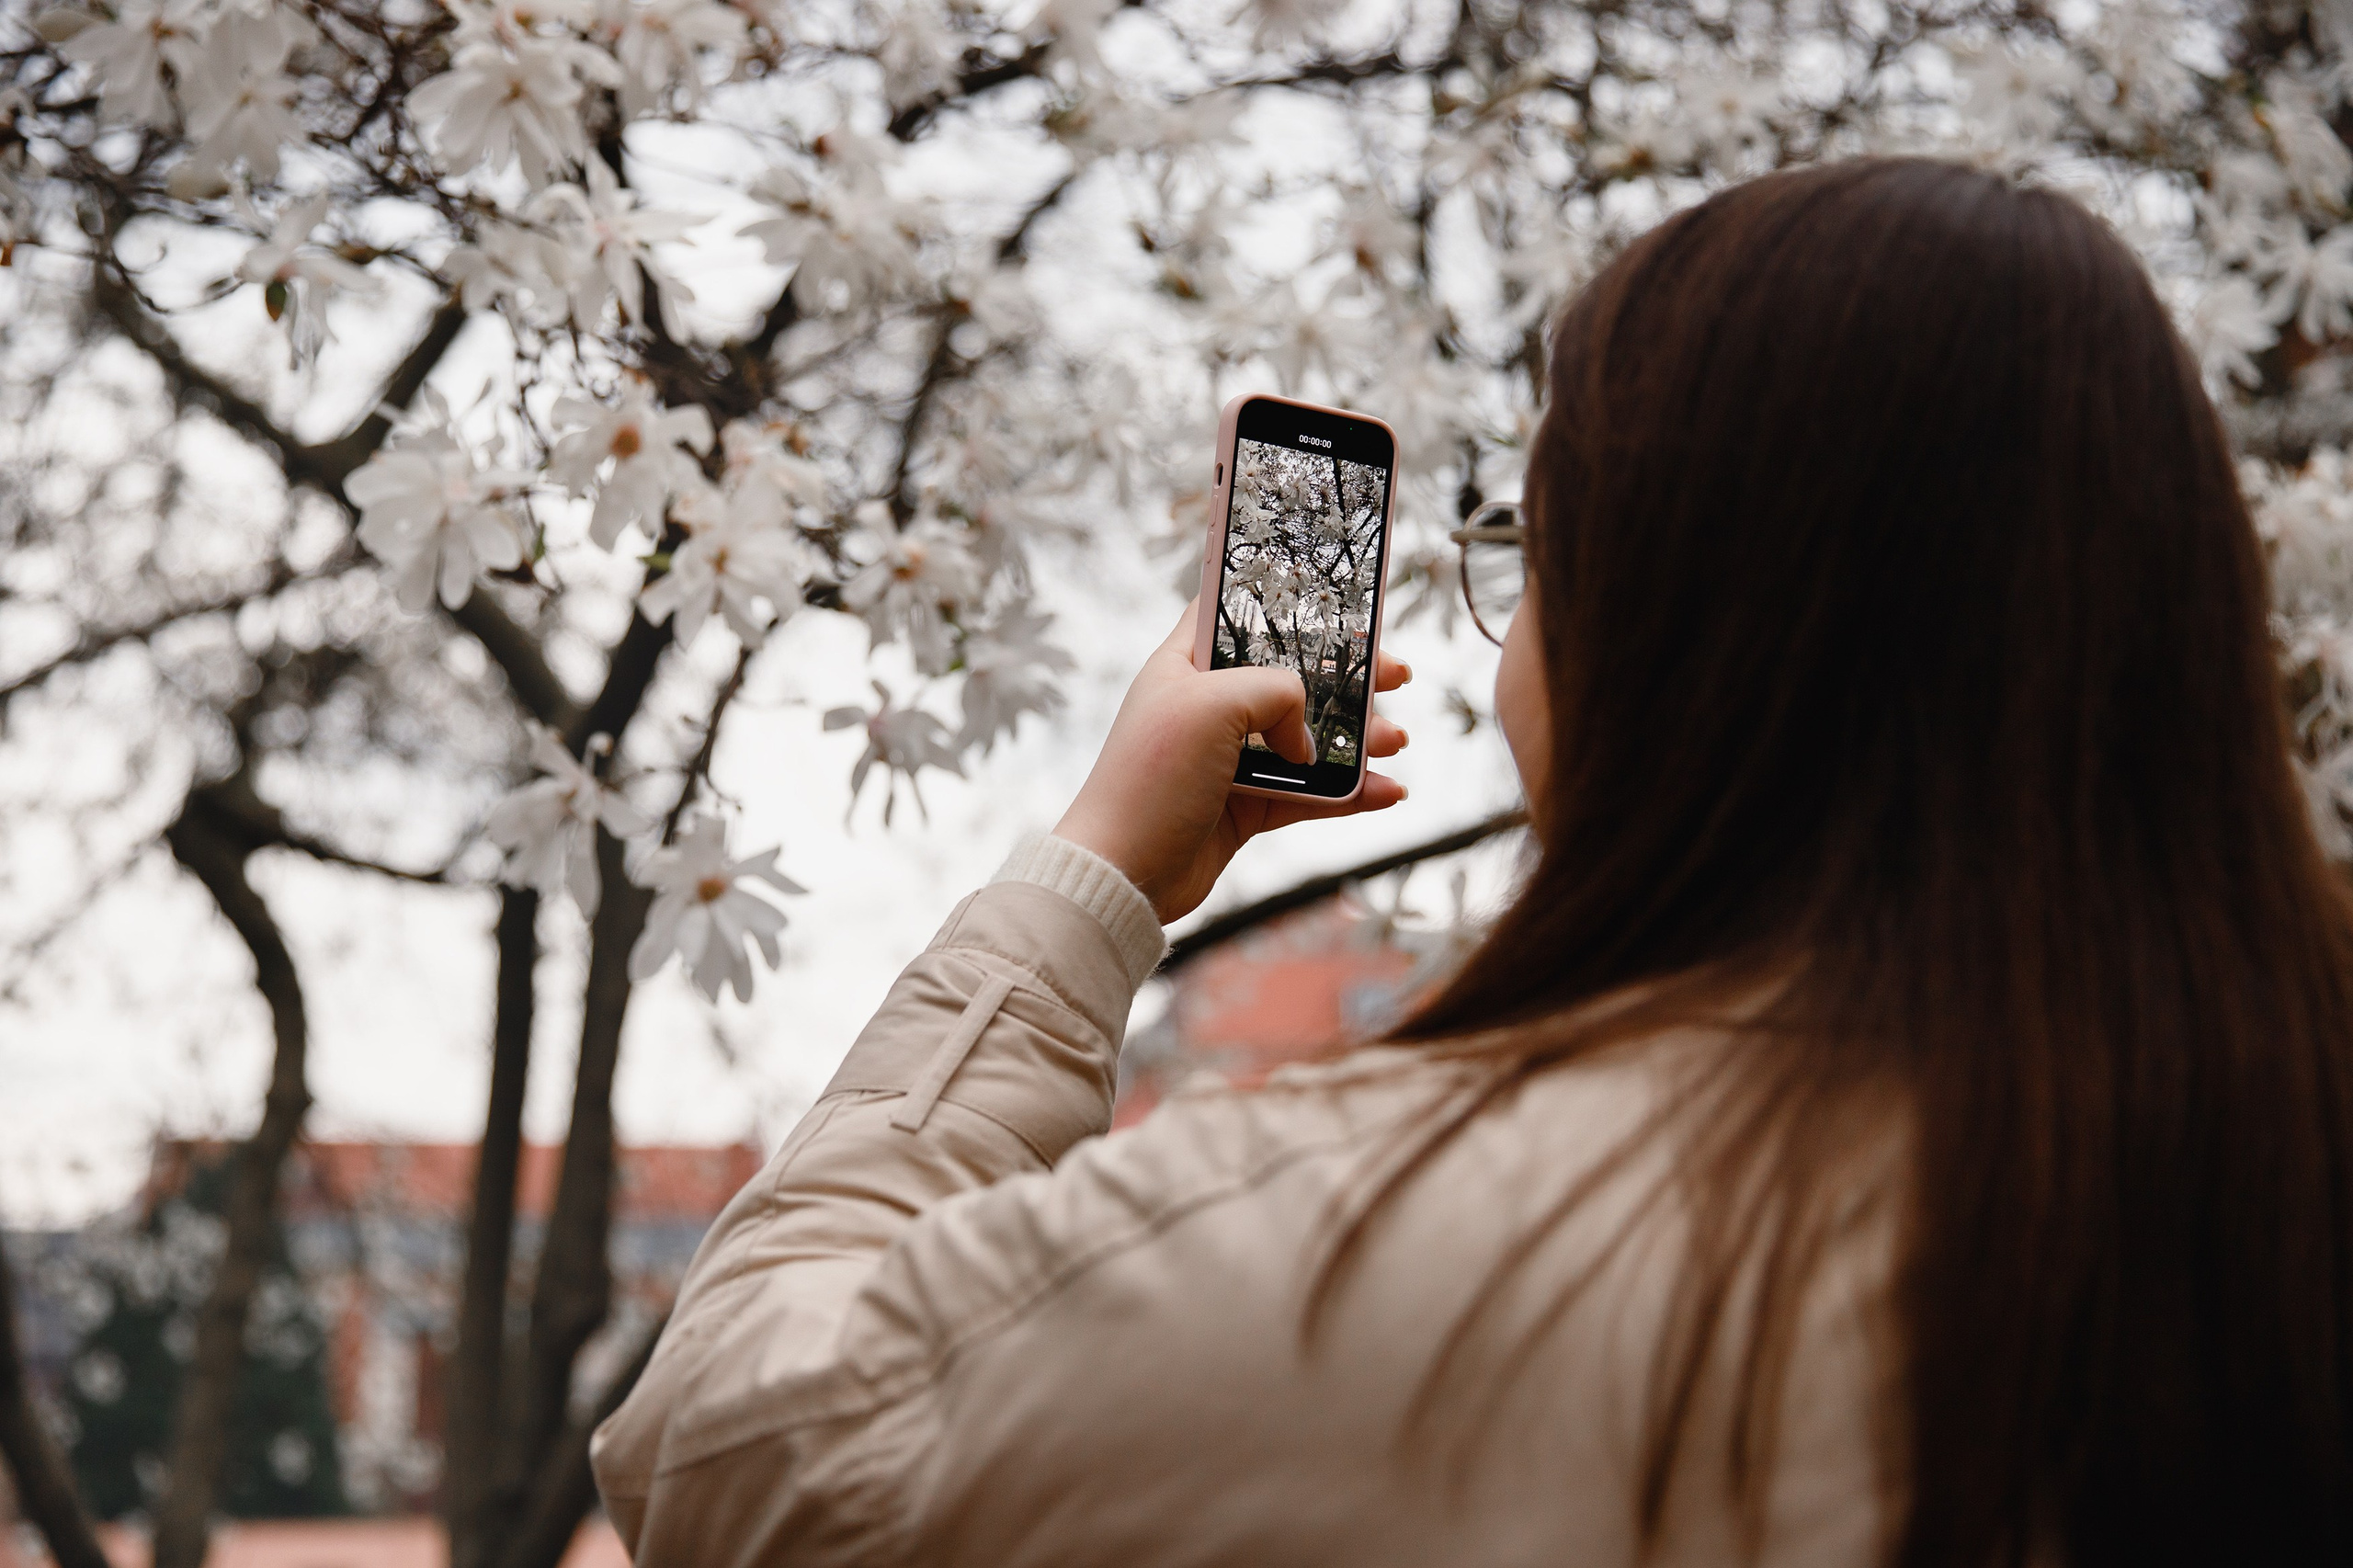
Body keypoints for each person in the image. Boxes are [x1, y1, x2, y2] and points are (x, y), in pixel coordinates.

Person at [588, 159, 2353, 1565]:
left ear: (1666, 640)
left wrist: (1091, 876)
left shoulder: (1359, 1242)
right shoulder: (2273, 1168)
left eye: (1528, 551)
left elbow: (728, 1451)